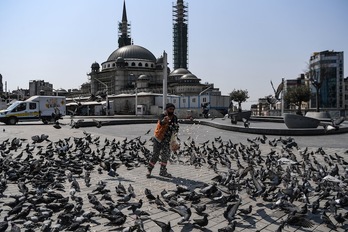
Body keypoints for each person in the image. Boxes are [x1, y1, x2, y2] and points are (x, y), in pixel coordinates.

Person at [147, 103, 179, 178]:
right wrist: (164, 121)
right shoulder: (162, 116)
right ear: (166, 109)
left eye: (173, 109)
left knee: (165, 156)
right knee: (155, 155)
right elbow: (161, 122)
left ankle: (163, 171)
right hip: (158, 138)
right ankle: (149, 170)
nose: (172, 111)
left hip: (167, 140)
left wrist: (175, 140)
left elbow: (176, 128)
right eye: (170, 109)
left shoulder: (175, 117)